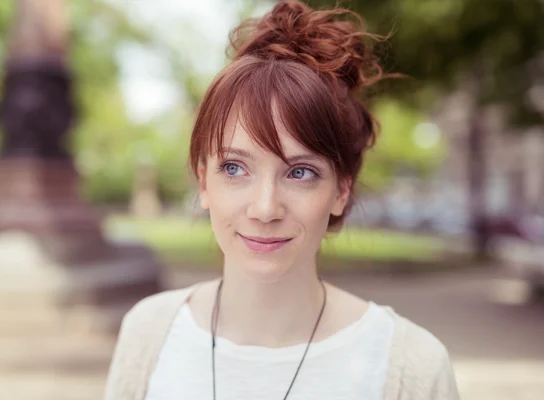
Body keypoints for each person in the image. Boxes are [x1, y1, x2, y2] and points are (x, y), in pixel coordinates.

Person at [104, 1, 459, 399]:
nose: (265, 208)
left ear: (341, 190)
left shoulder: (410, 366)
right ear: (204, 183)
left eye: (300, 172)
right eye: (235, 169)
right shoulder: (149, 333)